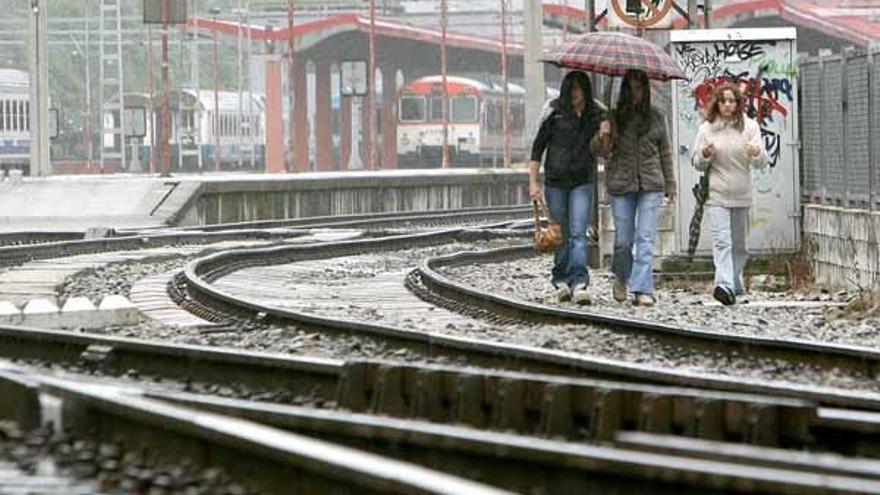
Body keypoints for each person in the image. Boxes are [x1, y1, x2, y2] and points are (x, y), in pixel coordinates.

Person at [592, 69, 675, 307]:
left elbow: (665, 152)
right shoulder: (614, 117)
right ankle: (621, 276)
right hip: (621, 184)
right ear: (625, 90)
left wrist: (671, 184)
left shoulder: (656, 117)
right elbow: (600, 152)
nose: (635, 92)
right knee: (623, 241)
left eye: (639, 87)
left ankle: (642, 288)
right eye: (631, 87)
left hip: (651, 184)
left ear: (645, 90)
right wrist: (603, 134)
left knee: (645, 237)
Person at [528, 70, 604, 304]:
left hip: (582, 180)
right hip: (556, 181)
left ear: (585, 91)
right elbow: (537, 148)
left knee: (578, 232)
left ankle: (579, 282)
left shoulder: (597, 114)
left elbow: (604, 148)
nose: (574, 94)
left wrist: (606, 130)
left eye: (578, 89)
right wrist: (533, 182)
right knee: (560, 233)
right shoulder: (553, 112)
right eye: (570, 89)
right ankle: (560, 280)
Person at [691, 83, 769, 305]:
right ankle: (723, 284)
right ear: (717, 103)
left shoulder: (750, 127)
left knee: (739, 244)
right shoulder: (707, 129)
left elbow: (762, 160)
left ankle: (734, 281)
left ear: (738, 104)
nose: (727, 105)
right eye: (723, 101)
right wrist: (705, 155)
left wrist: (756, 153)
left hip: (741, 193)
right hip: (717, 194)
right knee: (722, 241)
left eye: (732, 101)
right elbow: (696, 162)